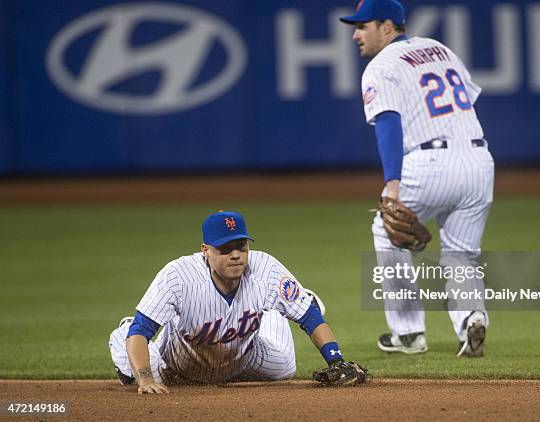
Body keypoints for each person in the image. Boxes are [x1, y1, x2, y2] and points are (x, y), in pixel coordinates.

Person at [340, 0, 494, 357]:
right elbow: (466, 101)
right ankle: (471, 317)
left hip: (427, 163)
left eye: (363, 26)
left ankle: (408, 334)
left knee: (386, 229)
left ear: (388, 27)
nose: (355, 34)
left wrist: (392, 185)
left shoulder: (381, 66)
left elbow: (389, 122)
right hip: (478, 159)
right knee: (461, 254)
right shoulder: (439, 49)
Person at [109, 211, 366, 392]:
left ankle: (288, 300)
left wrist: (336, 361)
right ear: (205, 250)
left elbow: (311, 317)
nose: (235, 255)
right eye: (225, 248)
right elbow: (142, 332)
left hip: (244, 358)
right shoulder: (178, 275)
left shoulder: (264, 268)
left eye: (241, 247)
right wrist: (144, 380)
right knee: (132, 350)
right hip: (173, 366)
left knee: (285, 367)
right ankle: (124, 330)